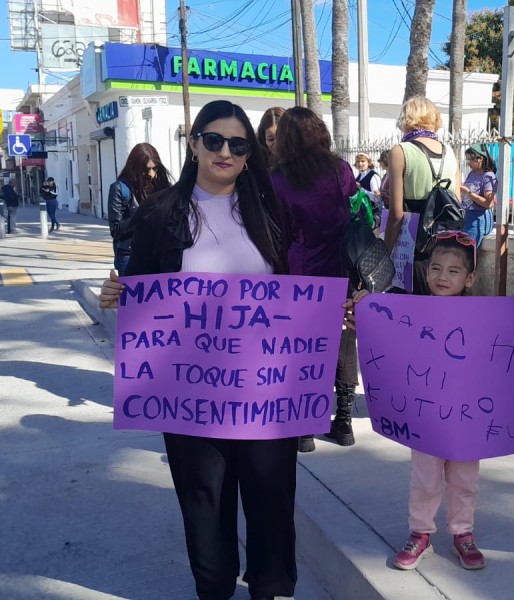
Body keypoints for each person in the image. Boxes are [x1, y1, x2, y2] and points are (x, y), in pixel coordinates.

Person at [98, 100, 296, 600]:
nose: (224, 152)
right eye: (213, 140)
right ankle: (213, 588)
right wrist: (118, 296)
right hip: (190, 397)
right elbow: (144, 299)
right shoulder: (159, 214)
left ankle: (270, 589)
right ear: (193, 145)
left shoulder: (270, 210)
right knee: (204, 504)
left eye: (237, 144)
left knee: (272, 503)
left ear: (250, 154)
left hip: (263, 393)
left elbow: (293, 292)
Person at [345, 231, 487, 572]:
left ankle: (463, 532)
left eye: (453, 271)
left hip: (467, 418)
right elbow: (386, 328)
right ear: (425, 271)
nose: (442, 276)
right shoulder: (411, 310)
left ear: (470, 278)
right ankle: (420, 533)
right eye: (436, 268)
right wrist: (367, 305)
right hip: (426, 416)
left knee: (464, 479)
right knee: (425, 477)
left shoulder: (485, 316)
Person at [270, 106, 359, 452]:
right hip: (341, 268)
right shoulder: (341, 170)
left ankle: (305, 428)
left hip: (299, 273)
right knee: (343, 343)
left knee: (304, 350)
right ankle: (345, 421)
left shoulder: (278, 179)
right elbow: (357, 214)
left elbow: (278, 233)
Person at [384, 96, 461, 294]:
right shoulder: (450, 152)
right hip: (443, 246)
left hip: (411, 247)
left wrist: (385, 252)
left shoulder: (401, 151)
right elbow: (458, 202)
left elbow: (396, 214)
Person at [107, 143, 171, 275]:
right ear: (134, 168)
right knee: (133, 295)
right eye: (146, 170)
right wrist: (143, 213)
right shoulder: (119, 188)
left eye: (155, 168)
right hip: (130, 254)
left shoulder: (162, 186)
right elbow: (116, 230)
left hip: (159, 252)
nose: (151, 174)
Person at [459, 144, 497, 247]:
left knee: (469, 251)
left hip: (478, 218)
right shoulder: (472, 174)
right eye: (467, 160)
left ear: (480, 158)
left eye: (470, 160)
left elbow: (488, 204)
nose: (468, 163)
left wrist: (468, 193)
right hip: (467, 216)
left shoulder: (488, 176)